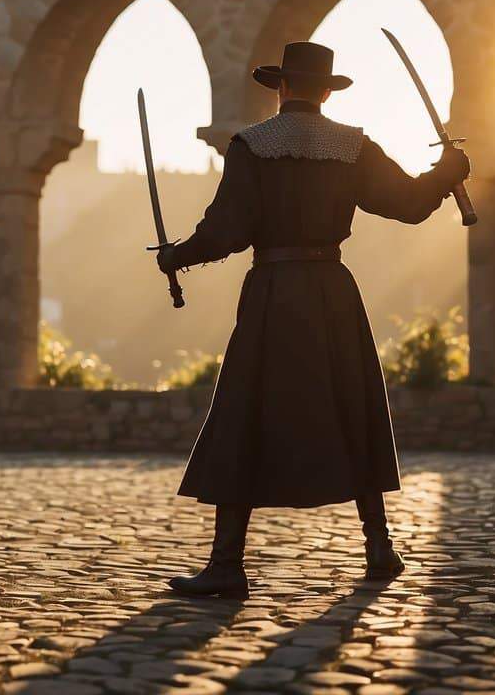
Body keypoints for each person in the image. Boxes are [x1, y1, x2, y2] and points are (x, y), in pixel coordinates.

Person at [155, 42, 471, 598]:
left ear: (279, 87)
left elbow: (226, 230)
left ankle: (228, 565)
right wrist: (447, 172)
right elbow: (410, 203)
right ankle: (379, 548)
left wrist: (177, 255)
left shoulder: (251, 147)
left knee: (245, 412)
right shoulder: (353, 148)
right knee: (351, 406)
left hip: (274, 293)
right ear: (326, 91)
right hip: (331, 292)